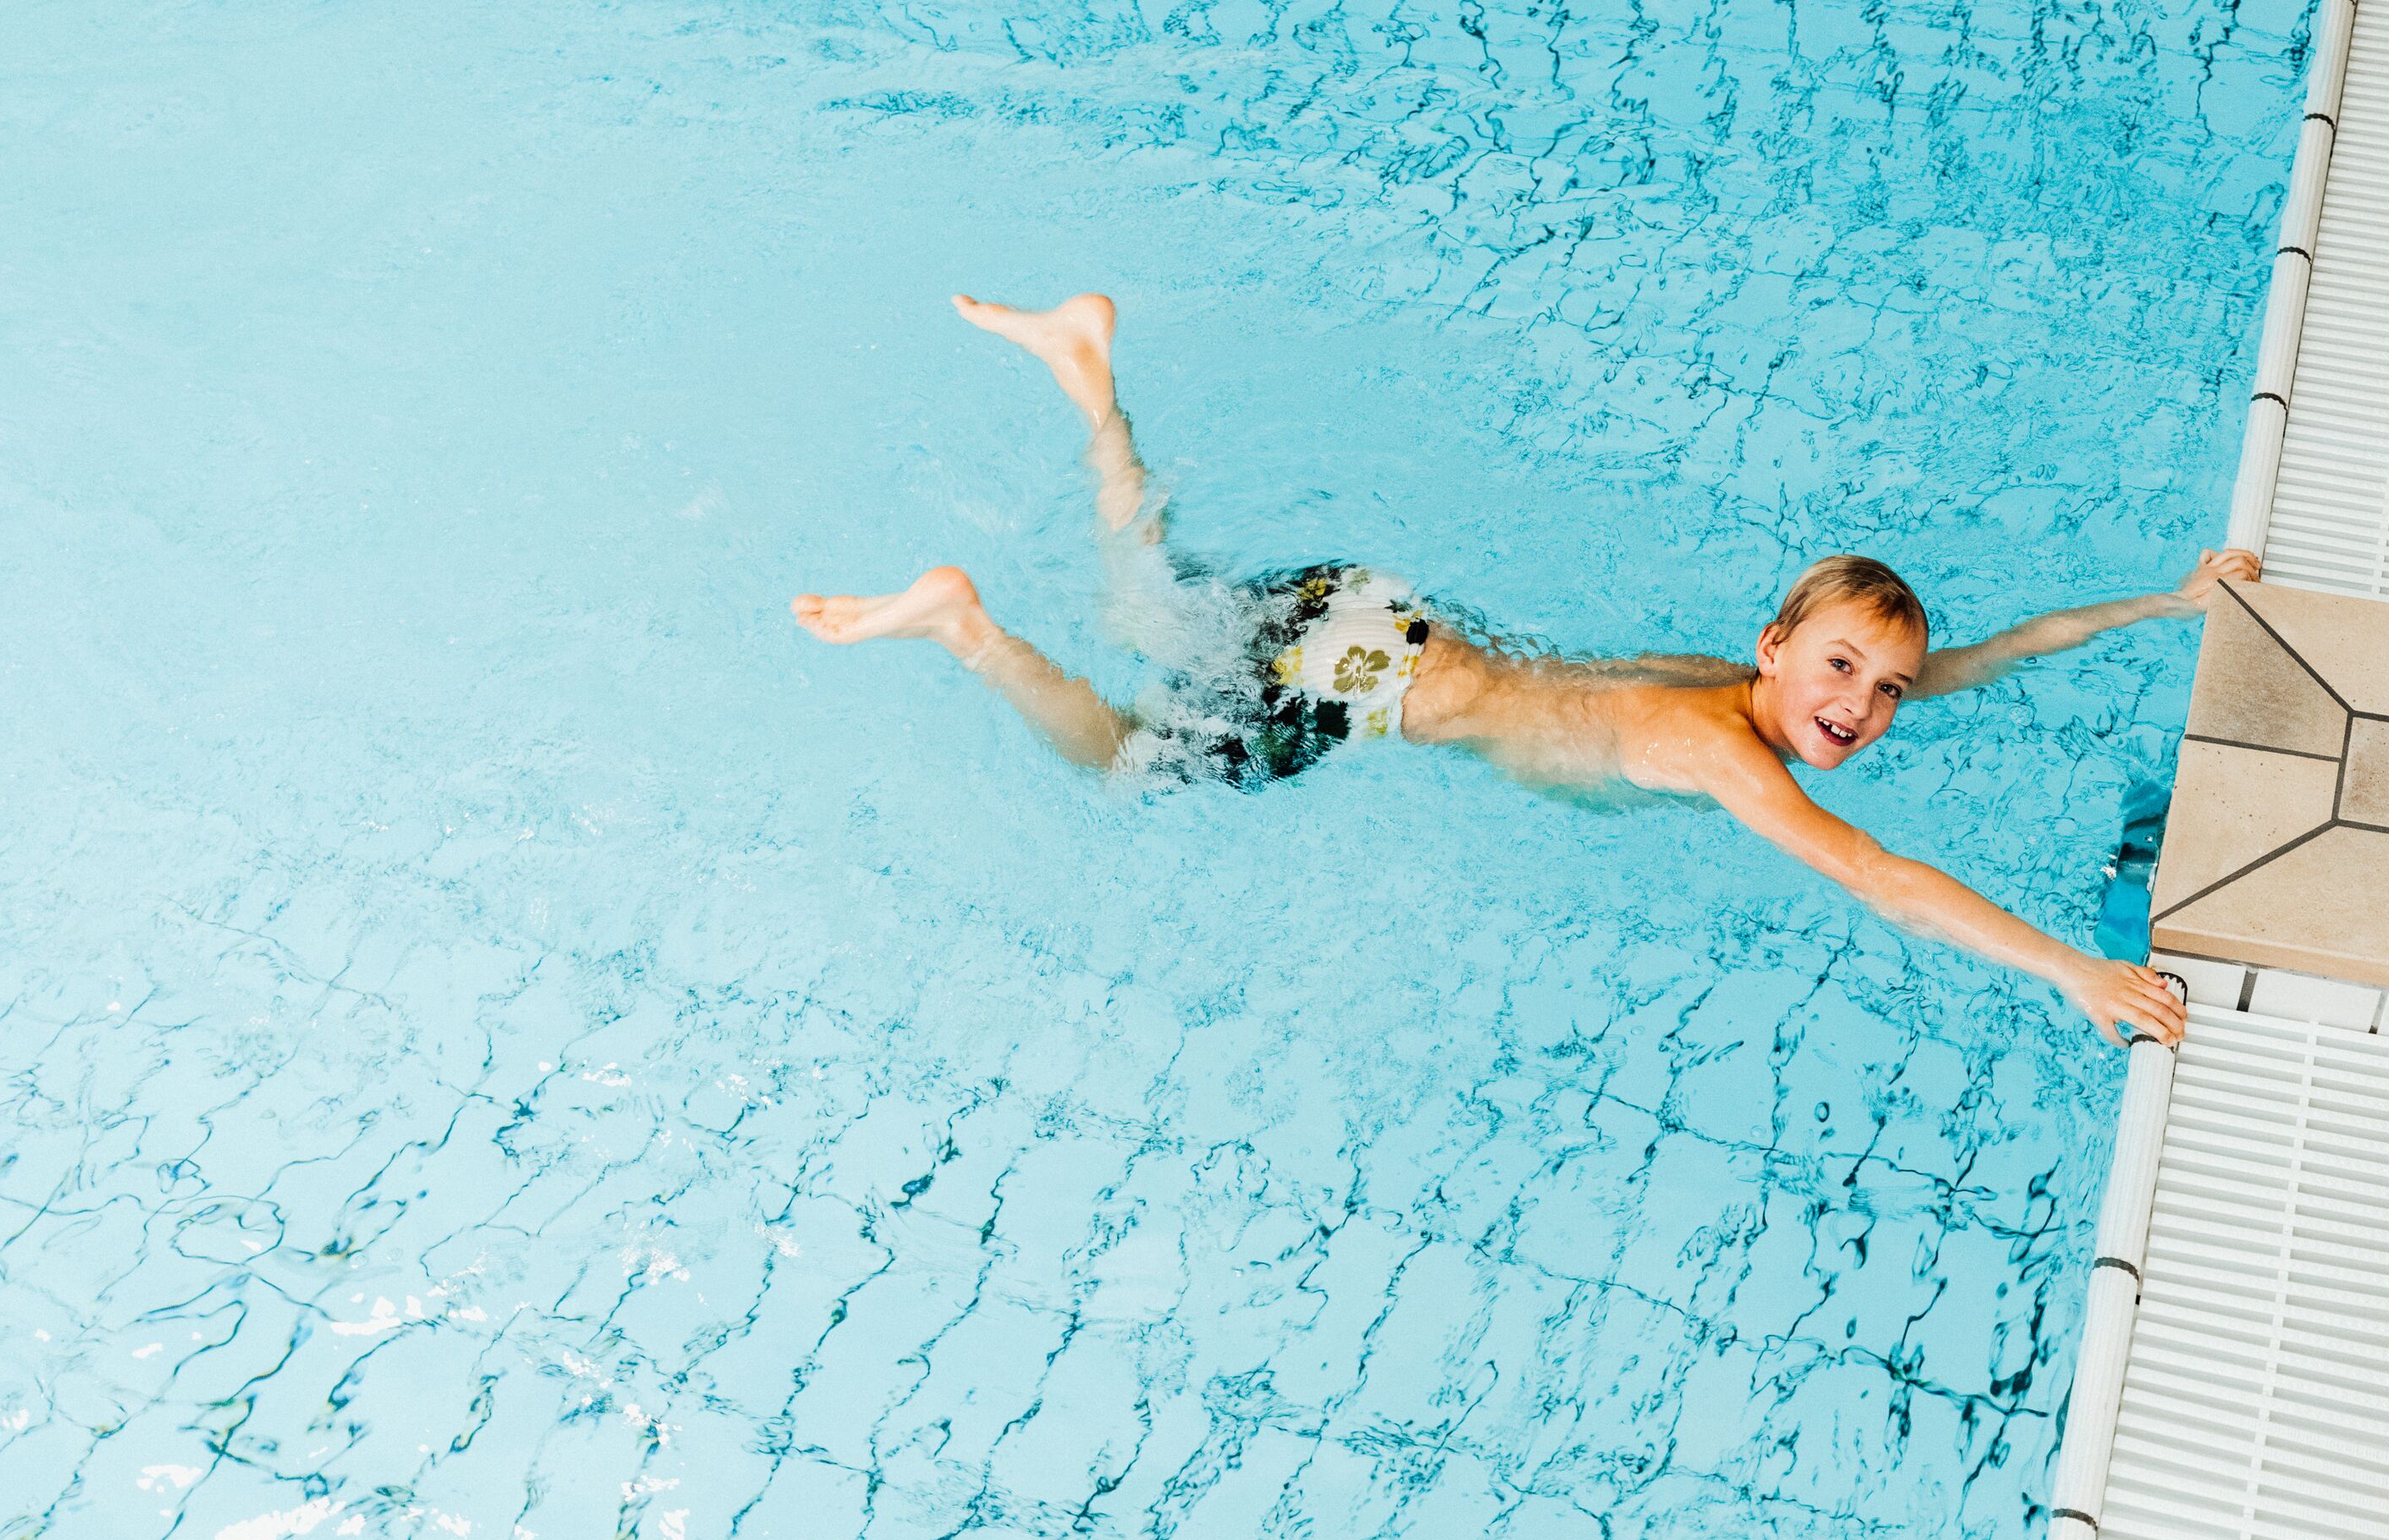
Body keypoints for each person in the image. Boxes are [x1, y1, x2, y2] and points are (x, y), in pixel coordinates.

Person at [794, 294, 2260, 1047]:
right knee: (1119, 755)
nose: (1865, 710)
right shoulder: (1718, 749)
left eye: (1881, 689)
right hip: (1361, 677)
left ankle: (1092, 374)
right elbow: (1875, 877)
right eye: (1844, 672)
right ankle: (961, 624)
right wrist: (2073, 968)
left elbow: (1990, 659)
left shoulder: (1736, 687)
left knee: (1152, 612)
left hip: (1376, 613)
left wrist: (2172, 603)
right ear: (1777, 649)